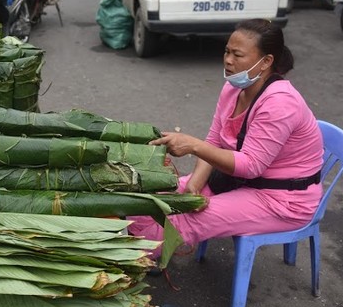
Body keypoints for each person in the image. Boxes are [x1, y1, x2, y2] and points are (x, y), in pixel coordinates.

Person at [129, 19, 324, 252]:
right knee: (149, 197)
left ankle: (134, 260)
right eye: (227, 51)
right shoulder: (234, 88)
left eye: (238, 55)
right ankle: (146, 252)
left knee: (186, 218)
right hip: (239, 182)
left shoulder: (280, 104)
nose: (228, 60)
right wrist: (195, 184)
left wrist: (193, 146)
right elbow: (214, 140)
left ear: (266, 61)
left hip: (282, 200)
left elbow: (251, 165)